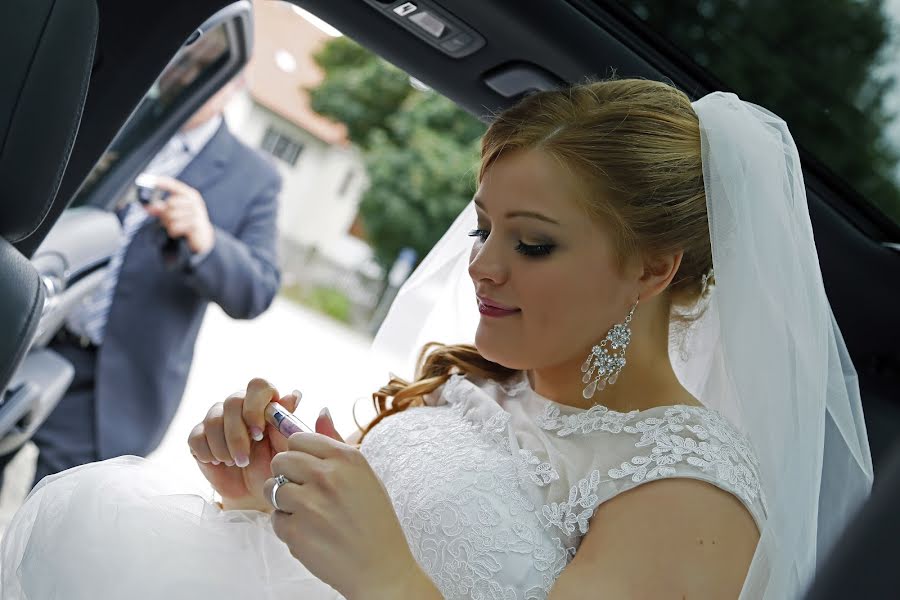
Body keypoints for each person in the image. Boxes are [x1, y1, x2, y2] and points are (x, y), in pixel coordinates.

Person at [0, 79, 872, 600]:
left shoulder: (691, 489)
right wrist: (264, 495)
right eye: (484, 228)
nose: (484, 267)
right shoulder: (487, 379)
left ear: (651, 270)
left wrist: (386, 579)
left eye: (531, 243)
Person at [0, 74, 283, 492]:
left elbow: (257, 291)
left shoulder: (255, 176)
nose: (188, 79)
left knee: (55, 525)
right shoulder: (119, 123)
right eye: (184, 66)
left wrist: (207, 241)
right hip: (37, 338)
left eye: (206, 69)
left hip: (116, 388)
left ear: (235, 81)